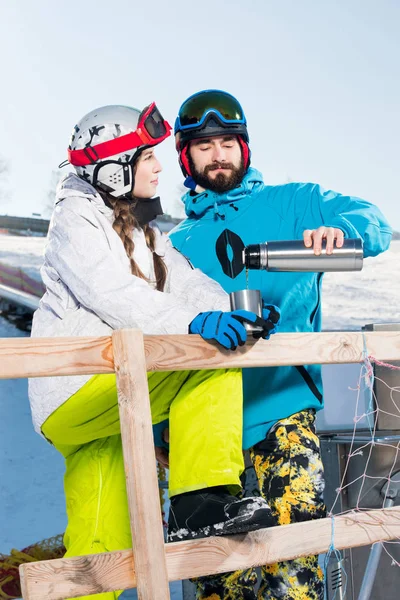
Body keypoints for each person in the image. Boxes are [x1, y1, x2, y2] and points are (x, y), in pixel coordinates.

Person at [28, 102, 281, 600]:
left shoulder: (143, 231)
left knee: (101, 544)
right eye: (147, 158)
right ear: (116, 171)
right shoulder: (75, 220)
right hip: (82, 385)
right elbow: (112, 293)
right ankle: (200, 502)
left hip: (101, 407)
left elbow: (186, 284)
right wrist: (196, 326)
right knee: (211, 360)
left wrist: (235, 312)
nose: (160, 167)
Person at [169, 89, 392, 600]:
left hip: (283, 408)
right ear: (186, 155)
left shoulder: (294, 203)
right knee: (219, 574)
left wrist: (338, 229)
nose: (218, 155)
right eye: (204, 146)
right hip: (202, 428)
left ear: (244, 148)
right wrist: (162, 432)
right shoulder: (177, 244)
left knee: (296, 558)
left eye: (228, 142)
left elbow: (373, 223)